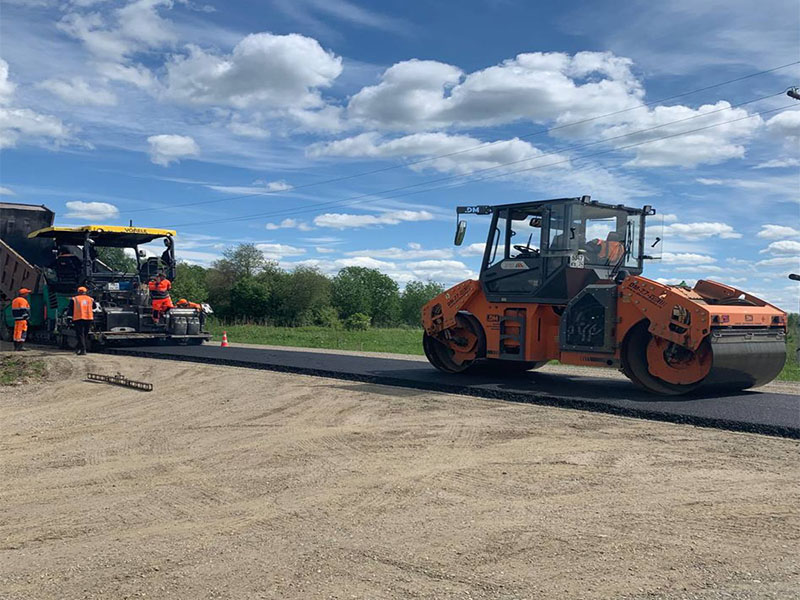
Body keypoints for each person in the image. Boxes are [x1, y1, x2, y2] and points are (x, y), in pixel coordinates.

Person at [68, 286, 96, 356]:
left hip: (79, 318)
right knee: (85, 334)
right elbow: (94, 307)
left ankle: (83, 350)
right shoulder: (90, 299)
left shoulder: (74, 299)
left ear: (78, 292)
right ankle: (78, 348)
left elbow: (70, 309)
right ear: (85, 292)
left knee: (80, 334)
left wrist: (69, 318)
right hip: (89, 318)